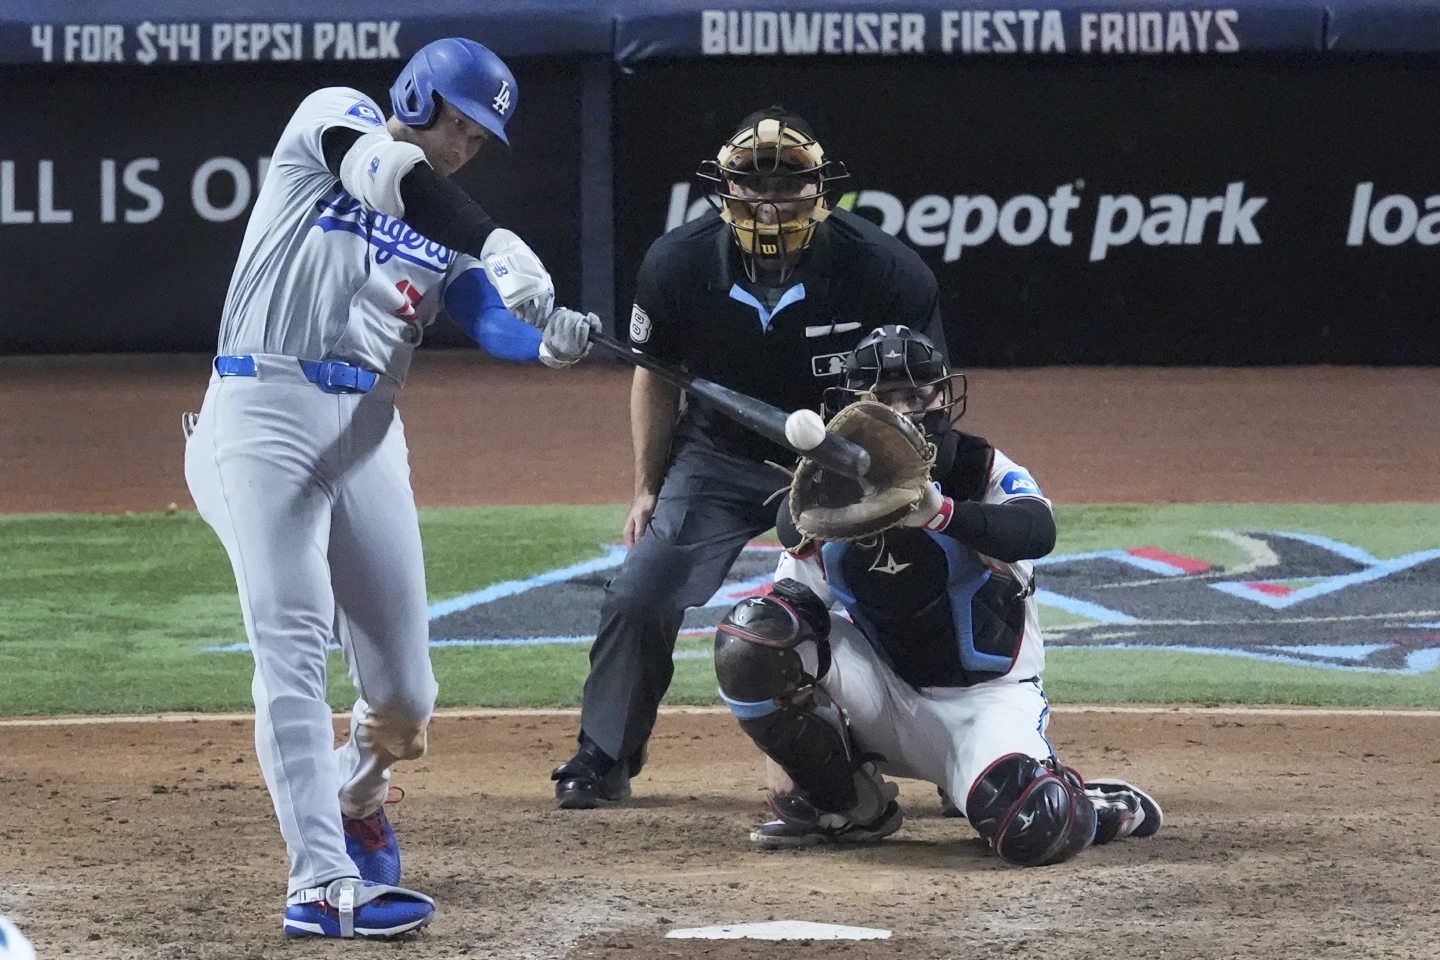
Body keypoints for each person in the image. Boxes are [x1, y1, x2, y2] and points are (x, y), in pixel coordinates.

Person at [183, 38, 599, 938]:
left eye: (482, 135)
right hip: (261, 412)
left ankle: (356, 793)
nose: (466, 143)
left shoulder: (446, 223)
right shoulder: (335, 119)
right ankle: (320, 882)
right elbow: (396, 178)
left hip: (370, 433)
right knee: (291, 649)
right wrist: (492, 236)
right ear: (417, 96)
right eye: (458, 121)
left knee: (406, 694)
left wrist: (544, 341)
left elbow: (485, 314)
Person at [552, 106, 947, 808]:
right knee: (640, 592)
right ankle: (603, 754)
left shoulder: (884, 270)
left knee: (900, 590)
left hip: (845, 461)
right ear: (725, 188)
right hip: (719, 457)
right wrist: (647, 487)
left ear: (820, 189)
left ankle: (952, 752)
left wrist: (895, 477)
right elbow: (655, 374)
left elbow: (923, 392)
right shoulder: (677, 263)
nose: (768, 200)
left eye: (788, 183)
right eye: (751, 183)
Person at [713, 326, 1163, 862]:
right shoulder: (831, 494)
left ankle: (1091, 803)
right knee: (753, 638)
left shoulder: (978, 469)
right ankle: (848, 806)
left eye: (918, 393)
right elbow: (791, 607)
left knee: (1034, 829)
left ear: (943, 394)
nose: (905, 409)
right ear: (853, 405)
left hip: (986, 703)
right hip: (881, 698)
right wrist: (792, 763)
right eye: (886, 396)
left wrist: (943, 514)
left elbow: (1036, 532)